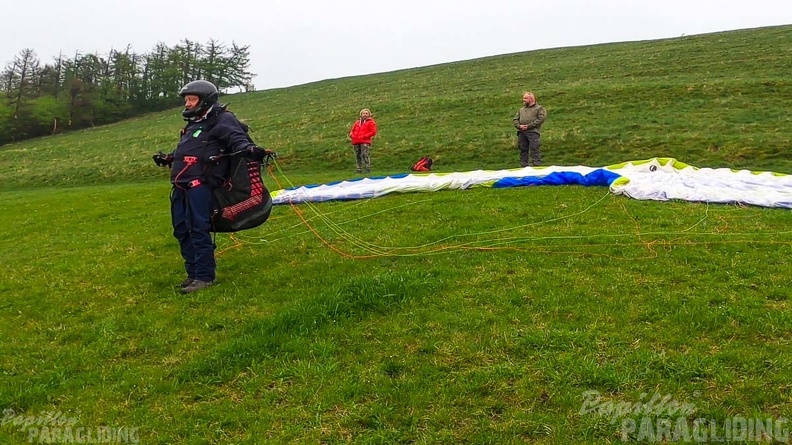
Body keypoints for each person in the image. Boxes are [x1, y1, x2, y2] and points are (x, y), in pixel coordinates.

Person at [153, 80, 273, 293]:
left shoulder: (222, 120)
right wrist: (169, 158)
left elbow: (237, 140)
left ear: (205, 99)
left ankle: (205, 276)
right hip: (180, 186)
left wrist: (251, 150)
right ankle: (192, 273)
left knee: (197, 228)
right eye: (186, 100)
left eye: (192, 99)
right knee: (181, 230)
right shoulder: (194, 124)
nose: (188, 104)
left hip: (201, 186)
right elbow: (192, 149)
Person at [512, 91, 547, 167]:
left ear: (531, 99)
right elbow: (515, 119)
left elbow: (541, 119)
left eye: (525, 98)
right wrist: (519, 126)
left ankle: (537, 165)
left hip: (533, 132)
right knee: (523, 149)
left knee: (534, 149)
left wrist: (529, 126)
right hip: (521, 133)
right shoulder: (521, 110)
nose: (523, 100)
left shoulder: (539, 108)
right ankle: (524, 166)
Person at [348, 108, 377, 174]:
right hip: (356, 141)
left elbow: (373, 132)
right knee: (357, 155)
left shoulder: (371, 122)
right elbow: (352, 130)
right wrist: (352, 135)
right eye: (364, 113)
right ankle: (359, 169)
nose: (365, 115)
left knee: (365, 154)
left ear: (369, 114)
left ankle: (367, 168)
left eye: (366, 113)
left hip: (365, 141)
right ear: (361, 114)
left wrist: (364, 136)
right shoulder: (357, 122)